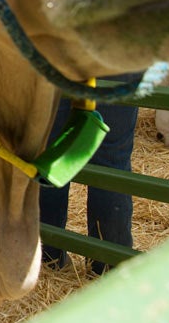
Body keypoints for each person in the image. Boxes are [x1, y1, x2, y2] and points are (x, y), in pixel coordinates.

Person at [39, 72, 141, 275]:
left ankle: (48, 259)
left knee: (53, 157)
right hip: (115, 60)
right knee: (112, 162)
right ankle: (107, 263)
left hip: (63, 57)